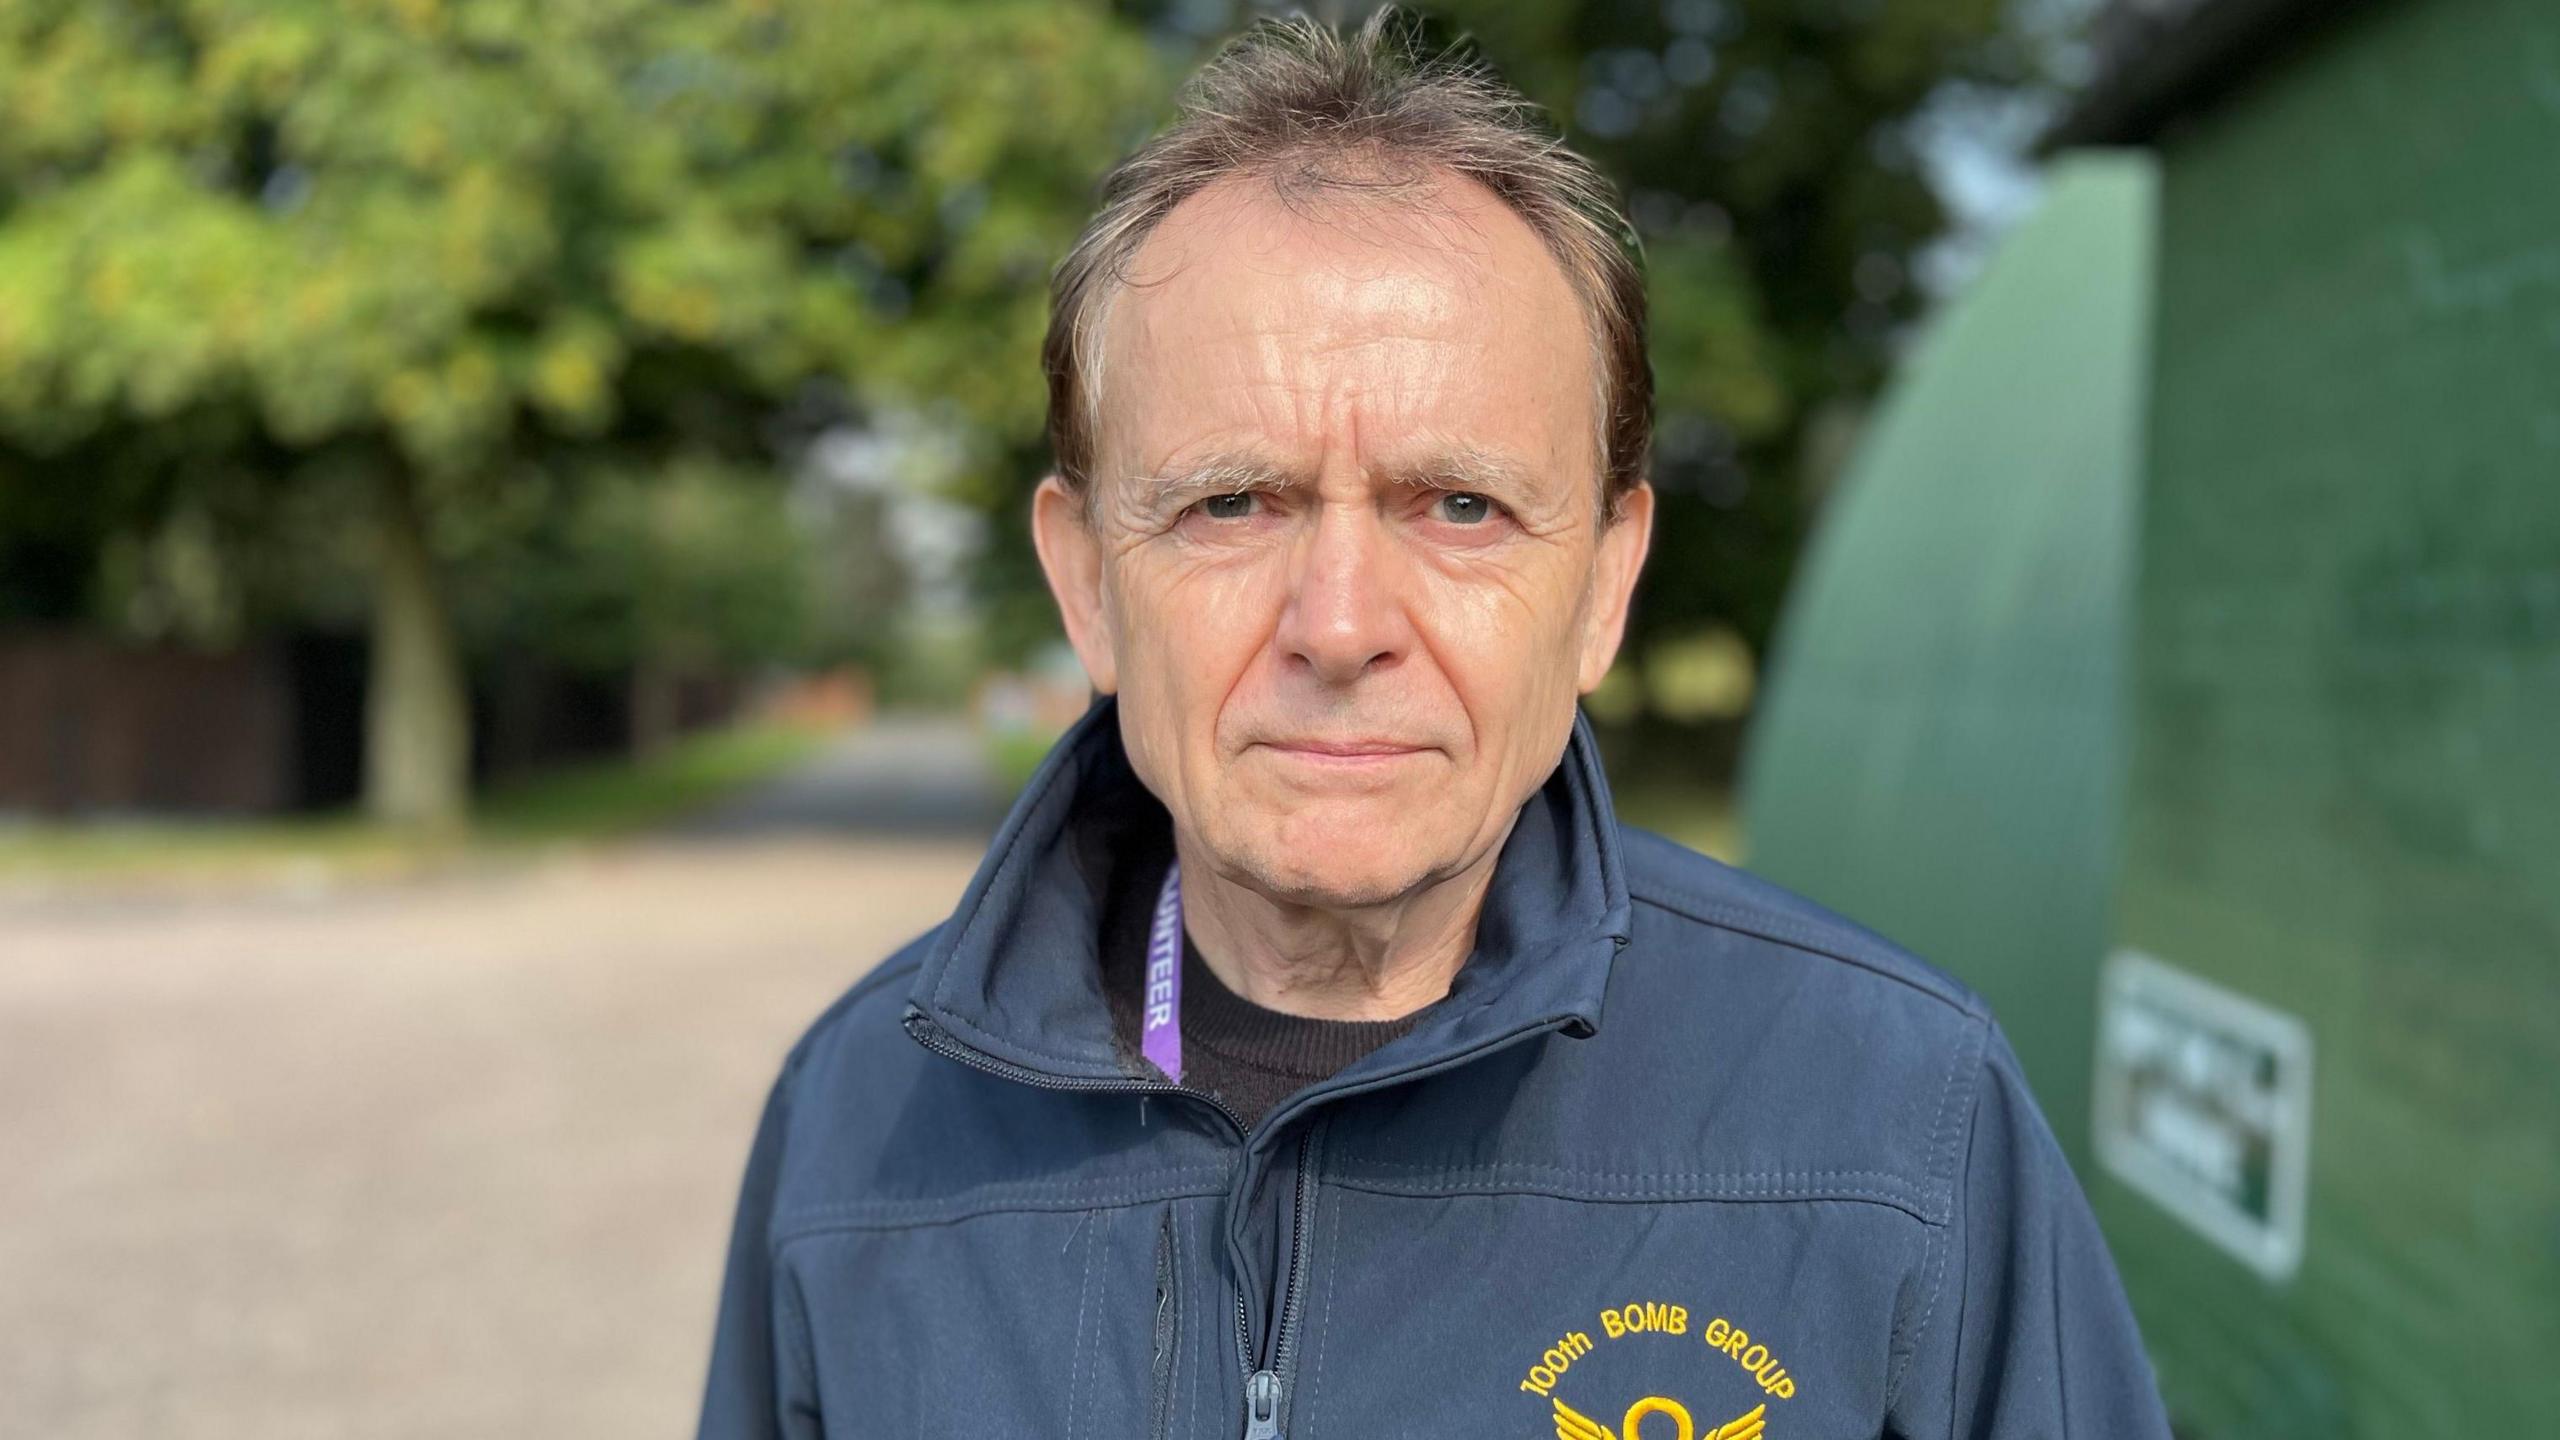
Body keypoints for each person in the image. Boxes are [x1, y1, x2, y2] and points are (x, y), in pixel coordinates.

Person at [694, 13, 2171, 1439]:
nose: (1340, 625)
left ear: (1602, 584)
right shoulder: (860, 1124)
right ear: (1087, 580)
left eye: (1460, 506)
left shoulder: (1897, 1121)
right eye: (1232, 503)